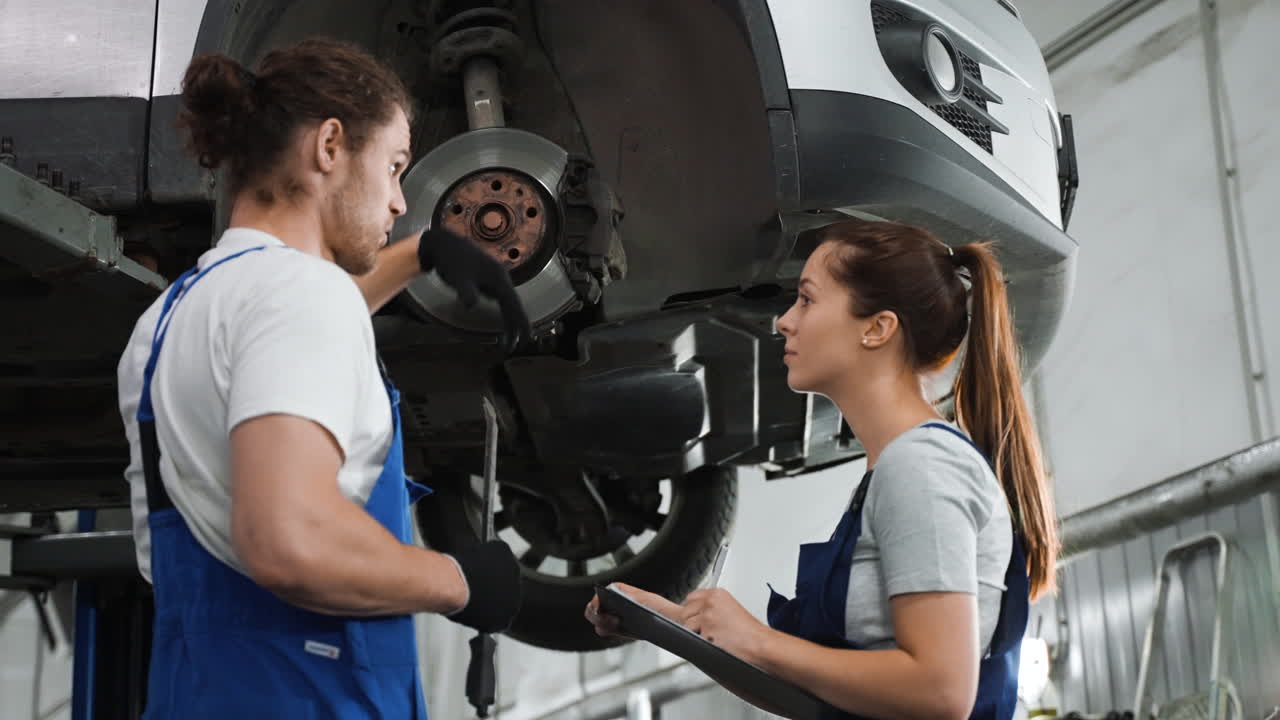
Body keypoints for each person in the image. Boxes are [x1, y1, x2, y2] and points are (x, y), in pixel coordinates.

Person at [116, 38, 530, 718]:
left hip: (195, 690)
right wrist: (458, 580)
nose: (400, 202)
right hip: (311, 695)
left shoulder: (168, 319)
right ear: (330, 145)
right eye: (394, 167)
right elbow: (290, 544)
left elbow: (280, 349)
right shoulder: (302, 296)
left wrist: (418, 257)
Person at [586, 219, 1059, 720]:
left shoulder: (921, 467)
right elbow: (822, 702)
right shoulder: (894, 471)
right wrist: (676, 626)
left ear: (877, 328)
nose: (783, 321)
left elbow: (940, 692)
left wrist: (758, 641)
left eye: (807, 300)